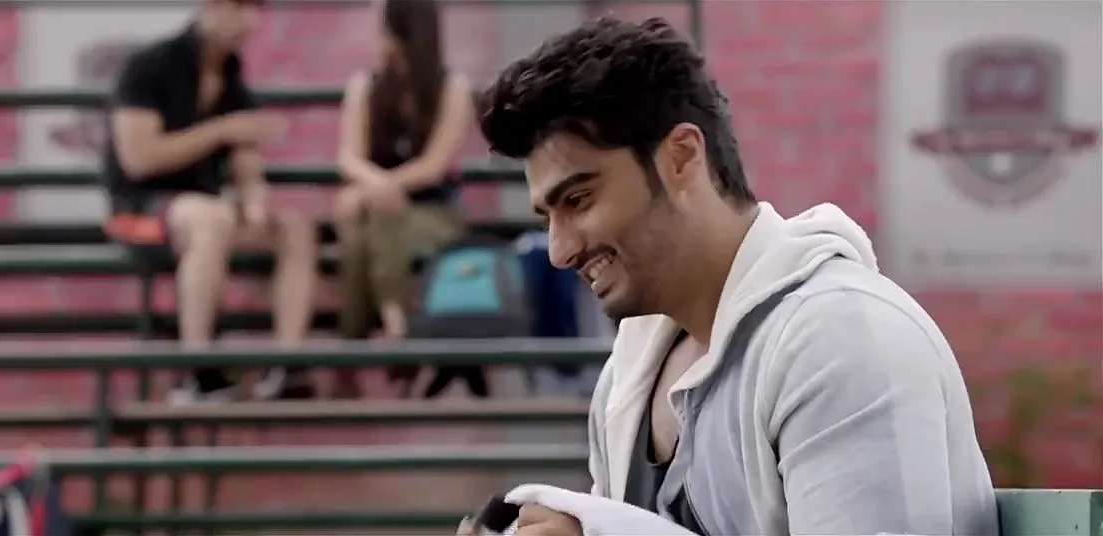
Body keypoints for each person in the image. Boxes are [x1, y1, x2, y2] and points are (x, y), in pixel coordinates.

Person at [470, 16, 998, 536]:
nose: (559, 252)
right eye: (547, 217)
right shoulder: (627, 377)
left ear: (681, 158)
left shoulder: (838, 342)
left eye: (579, 199)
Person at [103, 0, 319, 405]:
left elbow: (245, 164)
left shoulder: (233, 82)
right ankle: (197, 370)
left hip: (204, 213)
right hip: (135, 214)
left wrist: (255, 202)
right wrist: (221, 130)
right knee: (211, 219)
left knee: (293, 227)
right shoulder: (149, 66)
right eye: (238, 6)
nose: (249, 20)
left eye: (254, 8)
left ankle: (287, 365)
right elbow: (139, 158)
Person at [324, 0, 474, 399]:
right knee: (372, 225)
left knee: (372, 222)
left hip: (434, 213)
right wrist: (376, 189)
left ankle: (348, 358)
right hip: (378, 214)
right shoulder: (366, 87)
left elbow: (433, 166)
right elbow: (349, 158)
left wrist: (372, 190)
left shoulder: (451, 88)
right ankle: (397, 328)